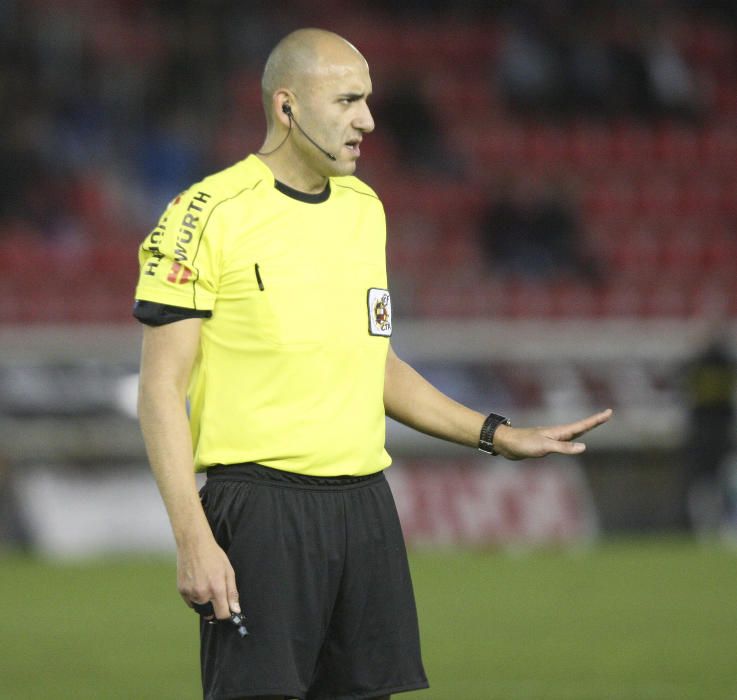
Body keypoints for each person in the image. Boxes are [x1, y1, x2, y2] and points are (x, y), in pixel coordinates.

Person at [133, 28, 612, 700]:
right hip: (261, 511)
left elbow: (371, 363)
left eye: (368, 100)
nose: (368, 120)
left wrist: (496, 434)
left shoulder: (363, 208)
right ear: (287, 106)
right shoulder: (204, 214)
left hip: (364, 508)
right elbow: (160, 391)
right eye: (348, 100)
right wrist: (192, 537)